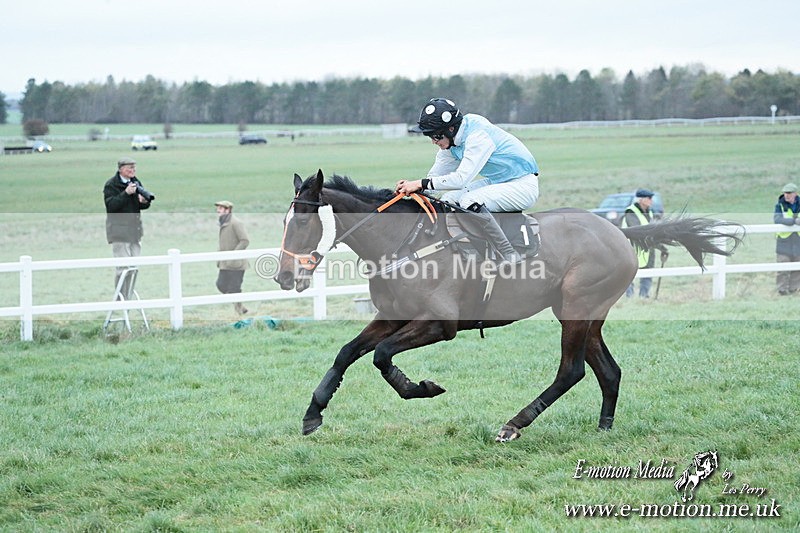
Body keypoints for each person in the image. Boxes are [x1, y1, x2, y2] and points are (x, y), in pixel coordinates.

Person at [395, 98, 539, 264]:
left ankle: (509, 253)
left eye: (435, 135)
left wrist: (420, 183)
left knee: (468, 200)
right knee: (448, 200)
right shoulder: (452, 143)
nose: (433, 141)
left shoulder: (477, 136)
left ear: (450, 129)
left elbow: (461, 180)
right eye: (430, 136)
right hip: (499, 181)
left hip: (523, 185)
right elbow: (432, 182)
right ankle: (465, 250)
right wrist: (411, 190)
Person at [103, 156, 151, 292]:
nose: (133, 170)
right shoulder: (111, 185)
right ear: (121, 169)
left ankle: (128, 297)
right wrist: (126, 193)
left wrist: (144, 202)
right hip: (120, 233)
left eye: (134, 167)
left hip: (135, 232)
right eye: (130, 167)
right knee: (123, 269)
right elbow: (111, 206)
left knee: (134, 268)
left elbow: (139, 206)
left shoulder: (135, 182)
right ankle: (120, 299)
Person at [621, 188, 667, 298]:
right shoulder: (631, 212)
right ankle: (630, 297)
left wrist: (662, 248)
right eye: (649, 198)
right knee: (629, 275)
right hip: (631, 249)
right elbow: (638, 232)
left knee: (648, 273)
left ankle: (644, 296)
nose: (651, 200)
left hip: (647, 249)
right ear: (641, 199)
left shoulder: (649, 212)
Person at [215, 200, 251, 314]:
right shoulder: (222, 223)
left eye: (220, 208)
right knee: (220, 285)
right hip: (225, 263)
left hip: (237, 264)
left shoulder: (236, 223)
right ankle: (240, 306)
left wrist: (234, 254)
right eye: (218, 208)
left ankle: (239, 310)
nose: (218, 211)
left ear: (228, 210)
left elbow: (245, 240)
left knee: (235, 288)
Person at [773, 182, 800, 295]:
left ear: (795, 194)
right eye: (785, 193)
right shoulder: (779, 205)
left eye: (789, 193)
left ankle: (794, 289)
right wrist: (794, 222)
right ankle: (782, 290)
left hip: (798, 240)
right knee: (783, 266)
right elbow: (777, 219)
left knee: (797, 266)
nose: (786, 195)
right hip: (784, 241)